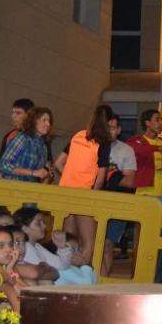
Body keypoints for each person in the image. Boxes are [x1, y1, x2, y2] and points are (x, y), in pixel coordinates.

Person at [54, 105, 114, 266]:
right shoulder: (103, 141)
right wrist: (93, 195)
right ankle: (83, 278)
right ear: (109, 122)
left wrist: (70, 177)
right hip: (85, 195)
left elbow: (58, 163)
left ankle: (64, 273)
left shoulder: (78, 136)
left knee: (68, 241)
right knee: (89, 245)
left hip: (66, 192)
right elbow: (101, 175)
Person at [13, 207, 96, 285]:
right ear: (24, 228)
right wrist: (48, 270)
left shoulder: (37, 246)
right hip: (32, 286)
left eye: (43, 222)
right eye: (39, 223)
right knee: (46, 281)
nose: (44, 226)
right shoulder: (26, 248)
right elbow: (39, 273)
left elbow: (62, 266)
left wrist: (62, 248)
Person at [0, 106, 54, 182]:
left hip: (30, 190)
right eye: (44, 120)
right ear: (34, 121)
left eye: (49, 121)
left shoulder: (43, 146)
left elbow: (39, 175)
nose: (48, 124)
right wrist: (33, 173)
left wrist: (46, 174)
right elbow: (3, 165)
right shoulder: (22, 138)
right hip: (13, 187)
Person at [128, 109, 162, 197]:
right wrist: (157, 148)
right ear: (147, 123)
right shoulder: (137, 141)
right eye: (157, 120)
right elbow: (138, 149)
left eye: (161, 120)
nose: (160, 123)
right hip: (145, 192)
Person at [104, 113, 137, 192]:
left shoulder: (127, 150)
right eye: (106, 128)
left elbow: (129, 181)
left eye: (112, 128)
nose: (108, 132)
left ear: (118, 130)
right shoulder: (92, 147)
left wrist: (113, 179)